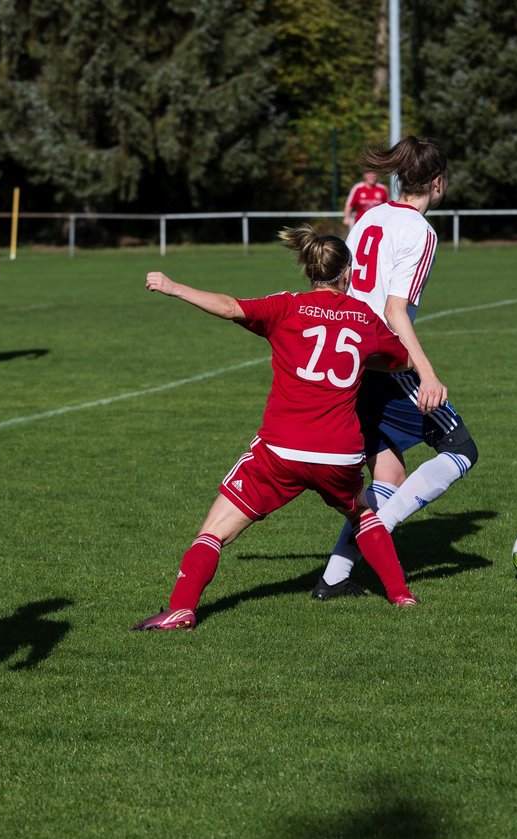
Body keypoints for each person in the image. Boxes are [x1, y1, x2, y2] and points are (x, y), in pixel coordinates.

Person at [132, 226, 417, 631]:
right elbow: (402, 360)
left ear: (309, 271)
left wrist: (174, 287)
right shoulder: (364, 317)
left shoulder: (288, 307)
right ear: (347, 274)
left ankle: (181, 607)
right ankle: (401, 595)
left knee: (214, 531)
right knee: (363, 514)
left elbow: (231, 307)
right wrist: (359, 358)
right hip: (340, 454)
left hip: (282, 452)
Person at [313, 136, 480, 600]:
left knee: (388, 477)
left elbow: (342, 284)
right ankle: (375, 533)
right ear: (438, 183)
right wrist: (427, 373)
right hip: (386, 362)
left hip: (351, 362)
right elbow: (394, 309)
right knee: (460, 449)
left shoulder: (368, 216)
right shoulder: (421, 232)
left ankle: (333, 580)